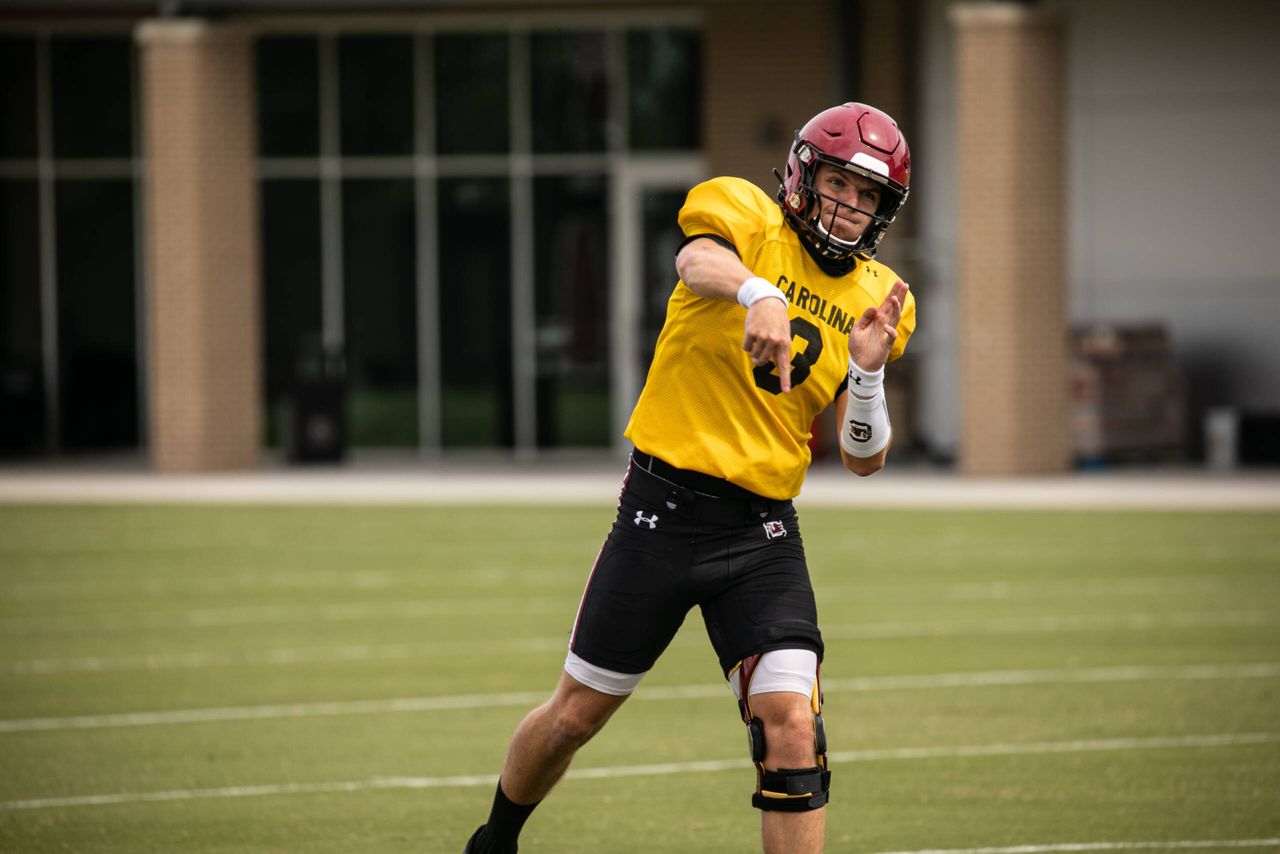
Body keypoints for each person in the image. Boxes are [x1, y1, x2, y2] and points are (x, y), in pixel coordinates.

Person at [464, 102, 916, 854]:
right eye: (840, 183)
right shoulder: (744, 215)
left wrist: (866, 378)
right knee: (575, 716)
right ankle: (496, 840)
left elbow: (864, 459)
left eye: (870, 196)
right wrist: (759, 292)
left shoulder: (879, 300)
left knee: (794, 725)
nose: (851, 207)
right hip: (661, 513)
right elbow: (694, 261)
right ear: (804, 177)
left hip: (763, 530)